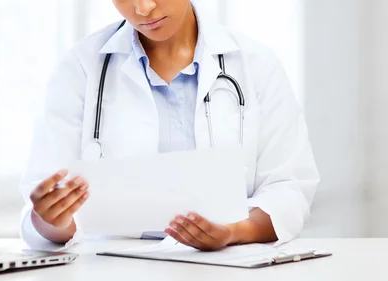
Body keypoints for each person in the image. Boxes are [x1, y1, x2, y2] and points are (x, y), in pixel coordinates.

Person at [18, 0, 319, 252]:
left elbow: (288, 188)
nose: (144, 7)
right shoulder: (81, 68)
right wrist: (50, 218)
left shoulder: (256, 64)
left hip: (226, 267)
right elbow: (45, 207)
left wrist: (234, 231)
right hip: (112, 267)